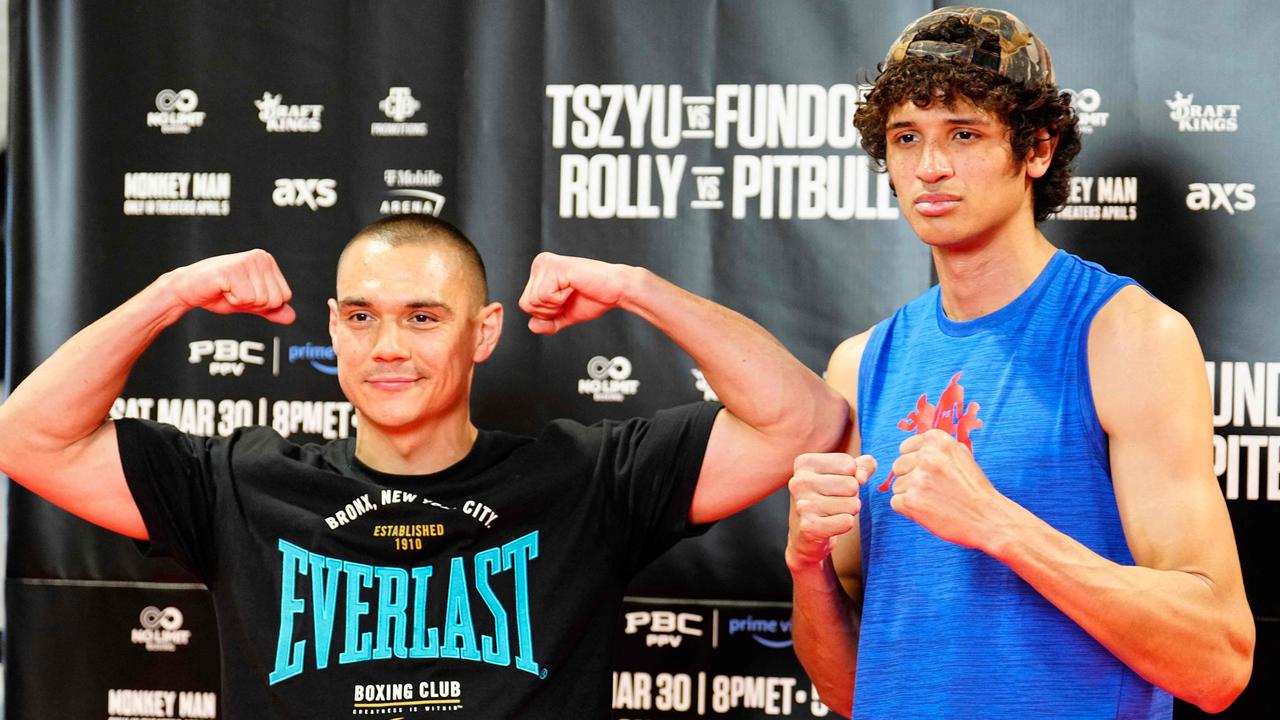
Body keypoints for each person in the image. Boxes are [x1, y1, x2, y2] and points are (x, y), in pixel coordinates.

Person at [0, 214, 848, 718]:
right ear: (331, 328)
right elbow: (28, 436)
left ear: (482, 332)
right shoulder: (240, 484)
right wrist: (170, 294)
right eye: (362, 317)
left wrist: (637, 287)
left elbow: (802, 418)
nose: (389, 348)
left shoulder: (586, 479)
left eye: (423, 316)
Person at [785, 7, 1254, 718]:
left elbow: (1218, 662)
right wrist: (807, 567)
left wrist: (998, 525)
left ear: (1037, 149)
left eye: (963, 134)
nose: (930, 167)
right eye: (906, 138)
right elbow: (850, 690)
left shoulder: (1127, 338)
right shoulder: (860, 364)